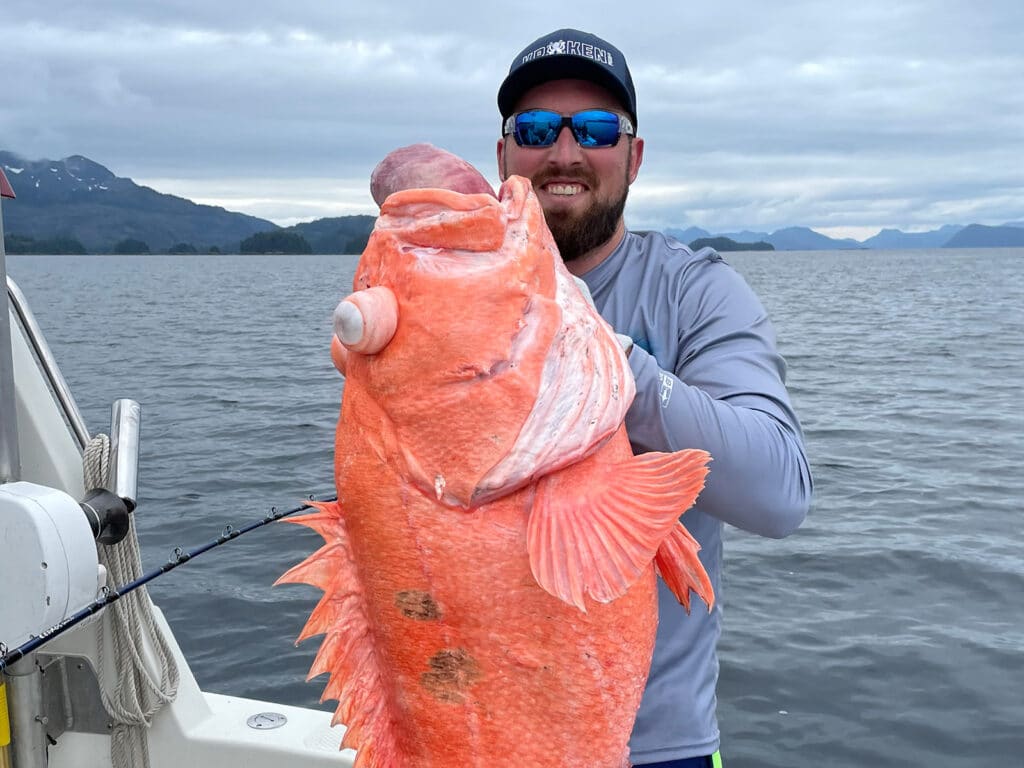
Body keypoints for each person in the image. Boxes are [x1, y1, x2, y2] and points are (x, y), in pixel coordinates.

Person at [496, 29, 813, 768]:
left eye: (598, 129)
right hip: (475, 723)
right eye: (537, 130)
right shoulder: (452, 285)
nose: (565, 153)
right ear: (505, 155)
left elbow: (780, 492)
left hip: (655, 748)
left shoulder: (696, 293)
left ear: (634, 157)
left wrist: (612, 367)